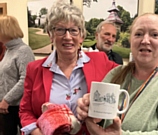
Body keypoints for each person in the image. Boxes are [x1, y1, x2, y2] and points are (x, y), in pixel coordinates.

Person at [77, 13, 158, 135]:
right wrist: (88, 109)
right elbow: (98, 119)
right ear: (131, 41)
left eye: (154, 35)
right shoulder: (116, 74)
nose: (145, 40)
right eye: (138, 34)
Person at [19, 1, 118, 135]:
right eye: (60, 29)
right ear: (50, 34)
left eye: (73, 30)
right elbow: (26, 111)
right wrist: (36, 132)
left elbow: (132, 74)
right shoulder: (34, 69)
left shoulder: (100, 61)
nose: (67, 37)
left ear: (81, 36)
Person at [0, 15, 35, 135]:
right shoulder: (9, 50)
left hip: (18, 107)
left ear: (5, 30)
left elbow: (25, 79)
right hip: (6, 106)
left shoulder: (23, 50)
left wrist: (6, 99)